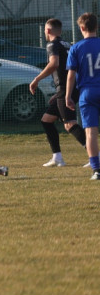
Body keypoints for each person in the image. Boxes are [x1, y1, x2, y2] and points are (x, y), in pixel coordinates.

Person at [30, 18, 87, 167]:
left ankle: (95, 154)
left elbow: (54, 63)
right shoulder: (67, 44)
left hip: (65, 88)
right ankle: (57, 157)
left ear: (48, 31)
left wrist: (37, 79)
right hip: (72, 87)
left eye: (45, 31)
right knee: (47, 120)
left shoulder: (52, 45)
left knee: (69, 124)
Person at [65, 12, 100, 181]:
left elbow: (71, 75)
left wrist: (68, 96)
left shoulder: (76, 48)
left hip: (87, 93)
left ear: (81, 28)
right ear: (96, 26)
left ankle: (96, 170)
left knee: (91, 132)